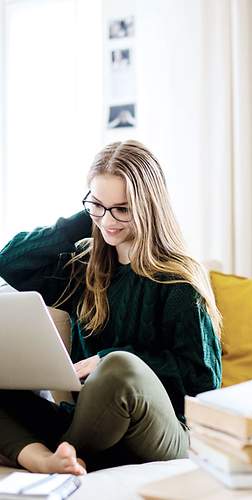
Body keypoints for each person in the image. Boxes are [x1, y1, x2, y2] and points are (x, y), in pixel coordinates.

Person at [0, 140, 222, 475]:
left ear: (148, 207)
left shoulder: (179, 280)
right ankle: (52, 460)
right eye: (98, 205)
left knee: (119, 367)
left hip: (163, 430)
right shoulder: (82, 269)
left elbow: (204, 381)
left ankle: (57, 451)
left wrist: (108, 359)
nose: (109, 221)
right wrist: (85, 219)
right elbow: (10, 262)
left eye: (122, 209)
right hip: (91, 422)